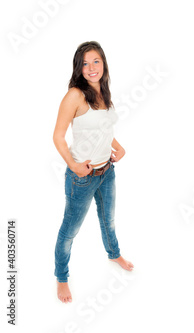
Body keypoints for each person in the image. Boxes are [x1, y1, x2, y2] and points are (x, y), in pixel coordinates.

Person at [53, 41, 133, 303]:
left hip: (106, 171)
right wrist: (74, 166)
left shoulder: (104, 92)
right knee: (70, 230)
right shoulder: (75, 95)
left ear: (103, 63)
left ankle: (114, 253)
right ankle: (61, 277)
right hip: (82, 177)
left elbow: (103, 129)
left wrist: (118, 147)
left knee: (108, 220)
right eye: (85, 63)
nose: (91, 67)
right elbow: (58, 136)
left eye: (96, 61)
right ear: (79, 67)